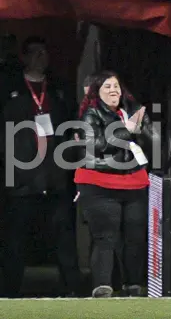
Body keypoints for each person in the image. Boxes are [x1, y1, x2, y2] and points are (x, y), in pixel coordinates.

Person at [0, 36, 81, 298]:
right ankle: (9, 293)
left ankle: (73, 290)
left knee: (64, 238)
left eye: (44, 52)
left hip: (55, 178)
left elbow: (71, 128)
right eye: (35, 52)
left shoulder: (59, 88)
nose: (40, 57)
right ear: (24, 57)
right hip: (22, 179)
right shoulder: (9, 88)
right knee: (15, 241)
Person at [74, 71, 155, 298]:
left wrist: (143, 129)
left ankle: (133, 285)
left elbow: (155, 144)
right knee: (106, 237)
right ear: (97, 93)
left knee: (135, 238)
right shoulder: (90, 114)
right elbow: (95, 145)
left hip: (134, 182)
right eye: (107, 86)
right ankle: (102, 286)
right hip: (100, 183)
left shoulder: (130, 112)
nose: (113, 90)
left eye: (116, 86)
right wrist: (124, 130)